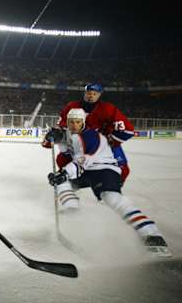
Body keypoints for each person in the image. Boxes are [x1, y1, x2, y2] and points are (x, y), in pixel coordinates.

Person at [48, 108, 171, 257]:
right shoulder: (70, 133)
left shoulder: (90, 136)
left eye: (77, 122)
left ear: (83, 122)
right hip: (87, 171)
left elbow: (84, 160)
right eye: (71, 122)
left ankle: (151, 234)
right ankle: (73, 210)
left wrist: (65, 172)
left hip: (105, 170)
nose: (74, 125)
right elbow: (68, 151)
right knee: (61, 181)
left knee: (112, 198)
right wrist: (58, 139)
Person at [43, 83, 134, 205]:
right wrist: (55, 135)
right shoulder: (72, 107)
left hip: (101, 144)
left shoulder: (108, 109)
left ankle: (109, 190)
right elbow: (61, 126)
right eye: (88, 93)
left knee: (122, 167)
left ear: (99, 95)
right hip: (77, 143)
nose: (91, 96)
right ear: (84, 94)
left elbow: (127, 130)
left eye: (94, 94)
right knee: (64, 163)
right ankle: (69, 190)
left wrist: (108, 140)